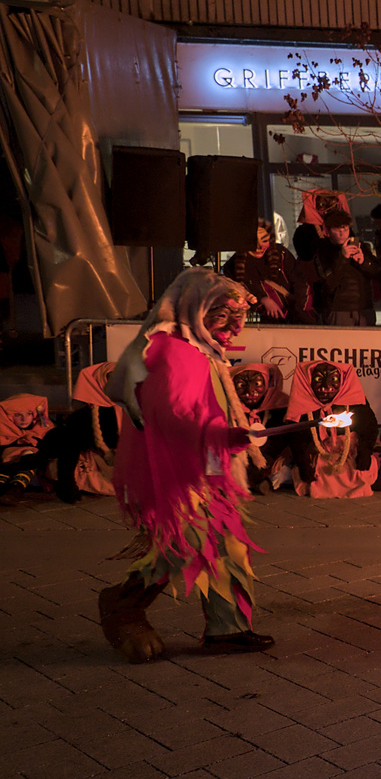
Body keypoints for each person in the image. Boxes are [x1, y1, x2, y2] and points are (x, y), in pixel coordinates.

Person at [101, 269, 268, 661]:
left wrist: (237, 433)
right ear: (196, 308)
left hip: (208, 469)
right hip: (179, 473)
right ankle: (123, 603)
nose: (235, 326)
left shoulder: (203, 348)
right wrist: (226, 435)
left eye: (241, 317)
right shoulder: (173, 350)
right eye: (223, 314)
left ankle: (228, 629)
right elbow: (171, 414)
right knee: (182, 545)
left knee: (227, 546)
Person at [286, 359, 380, 499]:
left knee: (361, 469)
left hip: (349, 452)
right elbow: (296, 438)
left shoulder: (356, 402)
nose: (326, 387)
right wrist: (303, 462)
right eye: (318, 379)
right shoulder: (301, 405)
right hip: (320, 454)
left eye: (333, 379)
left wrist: (364, 451)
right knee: (317, 473)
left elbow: (369, 428)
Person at [31, 364, 122, 503]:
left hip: (107, 455)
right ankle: (63, 481)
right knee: (66, 440)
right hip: (85, 452)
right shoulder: (88, 413)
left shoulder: (125, 408)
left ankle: (40, 466)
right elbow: (75, 441)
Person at [224, 219, 306, 323]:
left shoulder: (280, 254)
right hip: (269, 320)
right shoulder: (233, 265)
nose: (260, 247)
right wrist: (262, 300)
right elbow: (238, 293)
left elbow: (300, 281)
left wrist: (300, 308)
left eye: (264, 241)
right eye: (254, 243)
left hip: (297, 316)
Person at [311, 211, 381, 325]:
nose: (342, 234)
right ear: (328, 231)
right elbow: (328, 283)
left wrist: (363, 261)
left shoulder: (359, 246)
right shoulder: (324, 251)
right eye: (337, 230)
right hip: (339, 309)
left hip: (363, 307)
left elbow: (378, 271)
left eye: (345, 229)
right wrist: (343, 258)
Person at [231, 363, 292, 492]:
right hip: (242, 458)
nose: (250, 391)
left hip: (270, 458)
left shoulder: (279, 406)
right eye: (242, 386)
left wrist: (268, 461)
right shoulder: (231, 411)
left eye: (257, 384)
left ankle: (259, 482)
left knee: (283, 471)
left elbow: (280, 440)